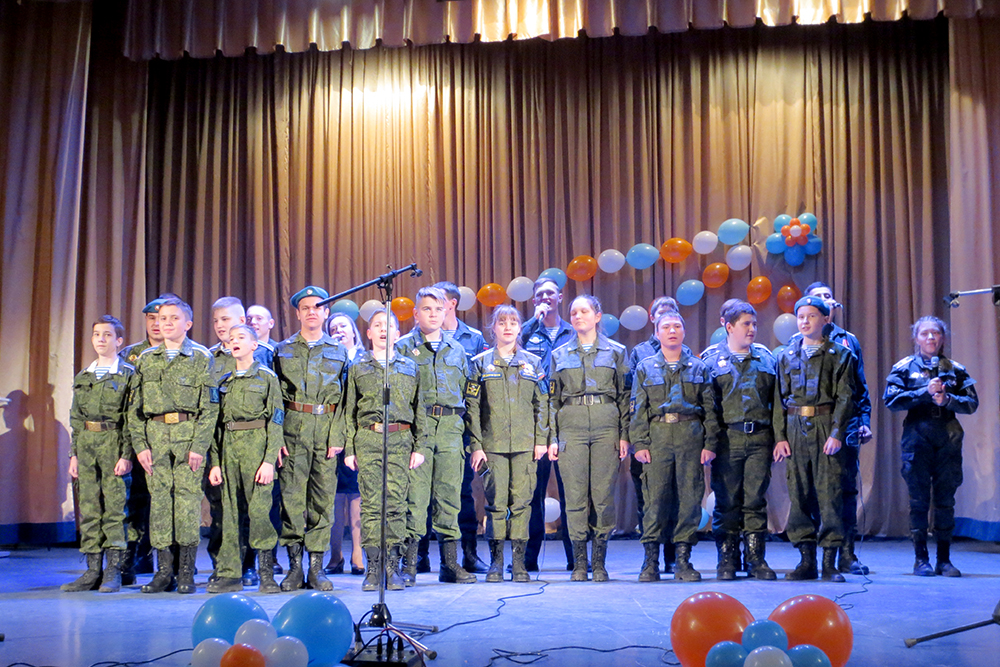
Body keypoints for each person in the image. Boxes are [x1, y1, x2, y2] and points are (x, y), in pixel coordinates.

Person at [129, 297, 218, 594]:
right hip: (155, 439)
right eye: (162, 318)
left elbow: (210, 408)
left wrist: (199, 445)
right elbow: (134, 409)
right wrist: (140, 445)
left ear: (187, 324)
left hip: (187, 437)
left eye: (173, 318)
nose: (165, 323)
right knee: (159, 505)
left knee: (187, 504)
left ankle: (186, 572)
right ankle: (163, 572)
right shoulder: (146, 359)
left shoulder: (201, 357)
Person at [883, 316, 978, 577]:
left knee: (945, 500)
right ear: (916, 338)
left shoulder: (956, 369)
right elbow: (891, 401)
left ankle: (944, 560)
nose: (930, 338)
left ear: (943, 338)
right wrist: (924, 392)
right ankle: (920, 559)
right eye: (924, 333)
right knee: (919, 500)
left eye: (935, 333)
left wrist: (947, 399)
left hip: (948, 437)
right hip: (917, 437)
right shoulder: (904, 367)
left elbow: (972, 403)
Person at [343, 308, 426, 591]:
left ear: (397, 334)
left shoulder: (410, 366)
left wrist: (420, 446)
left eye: (388, 325)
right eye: (377, 325)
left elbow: (419, 409)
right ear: (368, 333)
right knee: (371, 506)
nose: (383, 330)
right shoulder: (358, 367)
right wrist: (350, 448)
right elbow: (349, 411)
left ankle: (393, 565)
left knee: (396, 505)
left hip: (401, 439)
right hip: (369, 439)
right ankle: (373, 567)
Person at [397, 286, 476, 584]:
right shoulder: (403, 348)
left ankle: (449, 564)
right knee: (415, 498)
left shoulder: (457, 350)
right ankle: (409, 564)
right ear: (415, 313)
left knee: (449, 496)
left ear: (446, 312)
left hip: (451, 429)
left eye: (438, 309)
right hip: (418, 431)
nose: (433, 314)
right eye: (427, 309)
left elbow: (469, 395)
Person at [772, 296, 854, 582]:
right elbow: (778, 400)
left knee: (829, 494)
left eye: (812, 316)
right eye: (801, 316)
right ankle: (806, 561)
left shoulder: (840, 355)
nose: (805, 321)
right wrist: (780, 437)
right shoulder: (785, 355)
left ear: (825, 319)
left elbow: (845, 398)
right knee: (799, 494)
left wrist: (836, 433)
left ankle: (830, 562)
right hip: (795, 426)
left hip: (824, 424)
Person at [630, 311, 716, 582]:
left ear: (684, 331)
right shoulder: (645, 367)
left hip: (690, 436)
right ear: (657, 333)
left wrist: (710, 443)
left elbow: (710, 409)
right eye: (666, 327)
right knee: (654, 500)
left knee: (689, 499)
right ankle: (651, 561)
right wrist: (639, 443)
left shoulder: (699, 367)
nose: (672, 331)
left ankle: (683, 560)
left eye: (677, 326)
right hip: (658, 437)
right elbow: (638, 409)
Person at [272, 286, 349, 592]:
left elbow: (346, 400)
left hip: (326, 428)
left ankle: (317, 568)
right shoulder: (282, 350)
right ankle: (294, 568)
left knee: (322, 500)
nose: (311, 312)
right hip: (293, 427)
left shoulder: (339, 351)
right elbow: (275, 399)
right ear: (298, 313)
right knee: (291, 500)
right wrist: (276, 438)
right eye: (305, 308)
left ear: (326, 312)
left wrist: (338, 435)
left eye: (317, 307)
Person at [466, 305, 550, 582]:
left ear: (519, 328)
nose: (508, 327)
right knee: (496, 505)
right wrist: (476, 445)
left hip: (526, 445)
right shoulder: (479, 363)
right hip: (493, 445)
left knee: (522, 504)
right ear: (494, 328)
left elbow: (542, 403)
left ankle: (519, 563)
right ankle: (496, 563)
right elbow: (472, 408)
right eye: (502, 322)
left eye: (513, 322)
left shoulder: (533, 363)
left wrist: (541, 440)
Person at [549, 295, 630, 582]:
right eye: (573, 312)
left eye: (584, 311)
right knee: (574, 496)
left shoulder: (617, 351)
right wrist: (553, 437)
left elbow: (625, 396)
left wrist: (624, 435)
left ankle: (600, 562)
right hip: (571, 426)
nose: (578, 316)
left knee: (603, 496)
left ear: (597, 316)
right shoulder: (559, 354)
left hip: (606, 425)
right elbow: (552, 400)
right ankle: (579, 563)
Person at [798, 282, 873, 575]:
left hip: (845, 425)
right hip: (809, 426)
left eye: (828, 297)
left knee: (845, 491)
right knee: (812, 492)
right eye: (818, 297)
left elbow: (859, 386)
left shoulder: (848, 341)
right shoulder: (797, 342)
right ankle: (814, 557)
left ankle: (846, 554)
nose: (825, 301)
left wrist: (863, 422)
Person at [702, 302, 777, 580]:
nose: (752, 329)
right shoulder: (711, 360)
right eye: (746, 324)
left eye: (754, 324)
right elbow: (708, 408)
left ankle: (756, 559)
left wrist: (779, 438)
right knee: (726, 501)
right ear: (729, 326)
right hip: (727, 439)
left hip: (759, 437)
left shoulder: (766, 358)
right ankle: (727, 560)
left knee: (755, 501)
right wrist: (709, 444)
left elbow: (776, 402)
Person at [205, 324, 283, 594]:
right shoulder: (222, 381)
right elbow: (215, 426)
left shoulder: (267, 377)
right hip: (229, 449)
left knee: (259, 513)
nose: (234, 341)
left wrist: (269, 460)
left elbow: (276, 420)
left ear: (254, 345)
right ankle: (230, 573)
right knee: (229, 514)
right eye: (231, 339)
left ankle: (266, 573)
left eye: (241, 338)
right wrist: (215, 463)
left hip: (257, 447)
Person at [62, 316, 135, 593]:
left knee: (115, 509)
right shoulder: (84, 375)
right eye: (96, 334)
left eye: (107, 335)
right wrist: (74, 454)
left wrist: (126, 454)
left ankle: (113, 571)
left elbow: (131, 418)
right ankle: (93, 570)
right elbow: (77, 418)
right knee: (90, 509)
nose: (101, 339)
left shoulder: (127, 374)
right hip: (87, 445)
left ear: (119, 341)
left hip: (113, 441)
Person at [430, 281, 491, 574]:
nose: (433, 309)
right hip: (428, 423)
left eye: (438, 301)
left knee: (462, 490)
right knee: (422, 491)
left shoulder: (473, 339)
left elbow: (480, 387)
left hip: (461, 425)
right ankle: (418, 556)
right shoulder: (417, 338)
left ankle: (468, 553)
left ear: (451, 304)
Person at [626, 296, 689, 572]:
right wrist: (635, 438)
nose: (668, 321)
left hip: (678, 436)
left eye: (673, 314)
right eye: (662, 314)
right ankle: (650, 555)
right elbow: (632, 397)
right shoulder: (639, 353)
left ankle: (673, 556)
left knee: (676, 497)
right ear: (653, 319)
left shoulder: (686, 353)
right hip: (649, 435)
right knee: (649, 499)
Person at [520, 278, 576, 572]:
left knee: (571, 492)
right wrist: (534, 321)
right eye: (540, 294)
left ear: (560, 297)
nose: (545, 297)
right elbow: (513, 347)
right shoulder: (528, 331)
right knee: (533, 493)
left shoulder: (572, 331)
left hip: (567, 416)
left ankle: (576, 558)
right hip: (536, 419)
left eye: (550, 293)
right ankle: (528, 558)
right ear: (534, 301)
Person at [119, 294, 176, 579]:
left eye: (161, 318)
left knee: (171, 501)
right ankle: (133, 558)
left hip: (172, 438)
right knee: (136, 500)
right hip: (139, 438)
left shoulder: (183, 353)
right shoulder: (130, 355)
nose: (156, 324)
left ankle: (172, 560)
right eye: (151, 318)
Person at [324, 312, 365, 576]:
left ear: (353, 331)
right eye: (333, 328)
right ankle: (335, 555)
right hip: (330, 431)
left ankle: (358, 555)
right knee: (335, 494)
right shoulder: (327, 359)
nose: (338, 331)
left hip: (360, 431)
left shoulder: (366, 358)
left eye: (343, 326)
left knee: (357, 492)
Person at [246, 304, 277, 368]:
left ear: (271, 323)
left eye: (259, 318)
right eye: (249, 319)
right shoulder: (239, 350)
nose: (252, 322)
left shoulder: (278, 350)